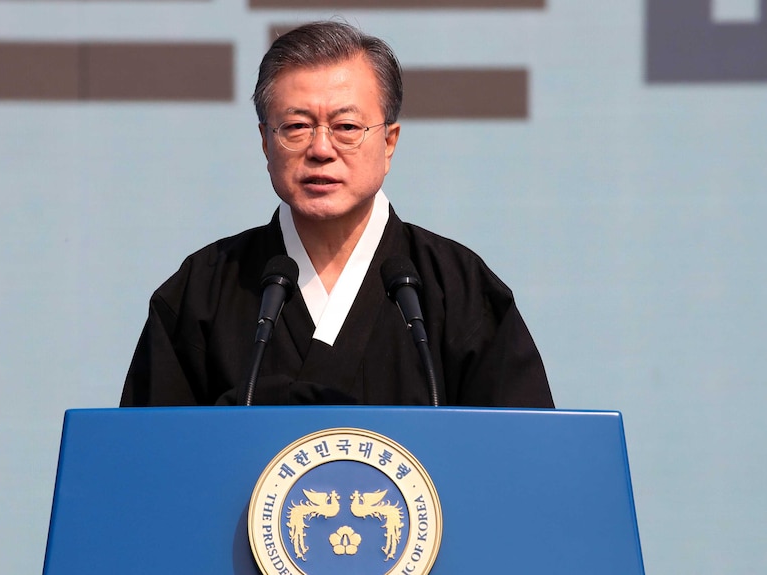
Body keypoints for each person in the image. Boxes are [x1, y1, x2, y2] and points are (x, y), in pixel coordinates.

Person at [121, 21, 553, 408]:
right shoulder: (203, 290)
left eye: (346, 127)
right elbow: (145, 467)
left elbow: (522, 464)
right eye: (296, 127)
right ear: (265, 142)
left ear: (389, 142)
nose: (321, 149)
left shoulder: (456, 288)